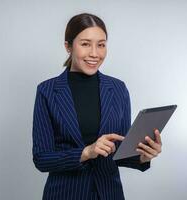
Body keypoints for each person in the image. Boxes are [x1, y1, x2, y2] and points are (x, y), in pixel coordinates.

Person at [32, 13, 162, 200]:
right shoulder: (47, 91)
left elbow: (122, 151)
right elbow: (42, 159)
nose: (95, 53)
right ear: (68, 46)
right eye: (85, 44)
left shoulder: (117, 88)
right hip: (65, 194)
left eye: (101, 44)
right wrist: (86, 152)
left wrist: (144, 155)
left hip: (110, 193)